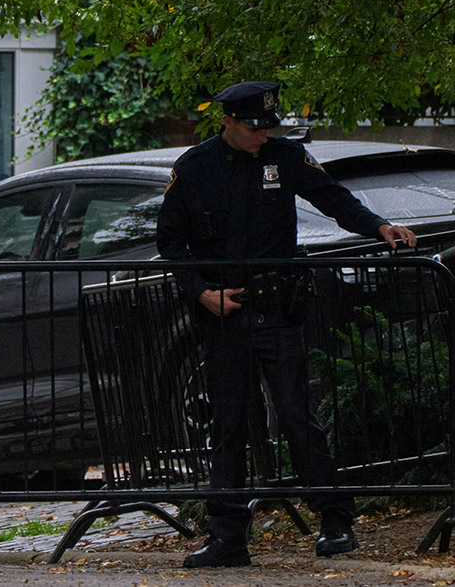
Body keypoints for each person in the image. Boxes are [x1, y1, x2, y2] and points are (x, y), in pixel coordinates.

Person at [155, 81, 417, 569]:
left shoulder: (286, 157)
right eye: (253, 128)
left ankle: (335, 520)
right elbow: (171, 242)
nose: (261, 136)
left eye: (267, 128)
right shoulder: (195, 168)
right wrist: (200, 293)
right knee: (229, 422)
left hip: (277, 307)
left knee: (297, 414)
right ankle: (227, 536)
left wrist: (380, 226)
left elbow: (335, 200)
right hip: (225, 311)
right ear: (228, 121)